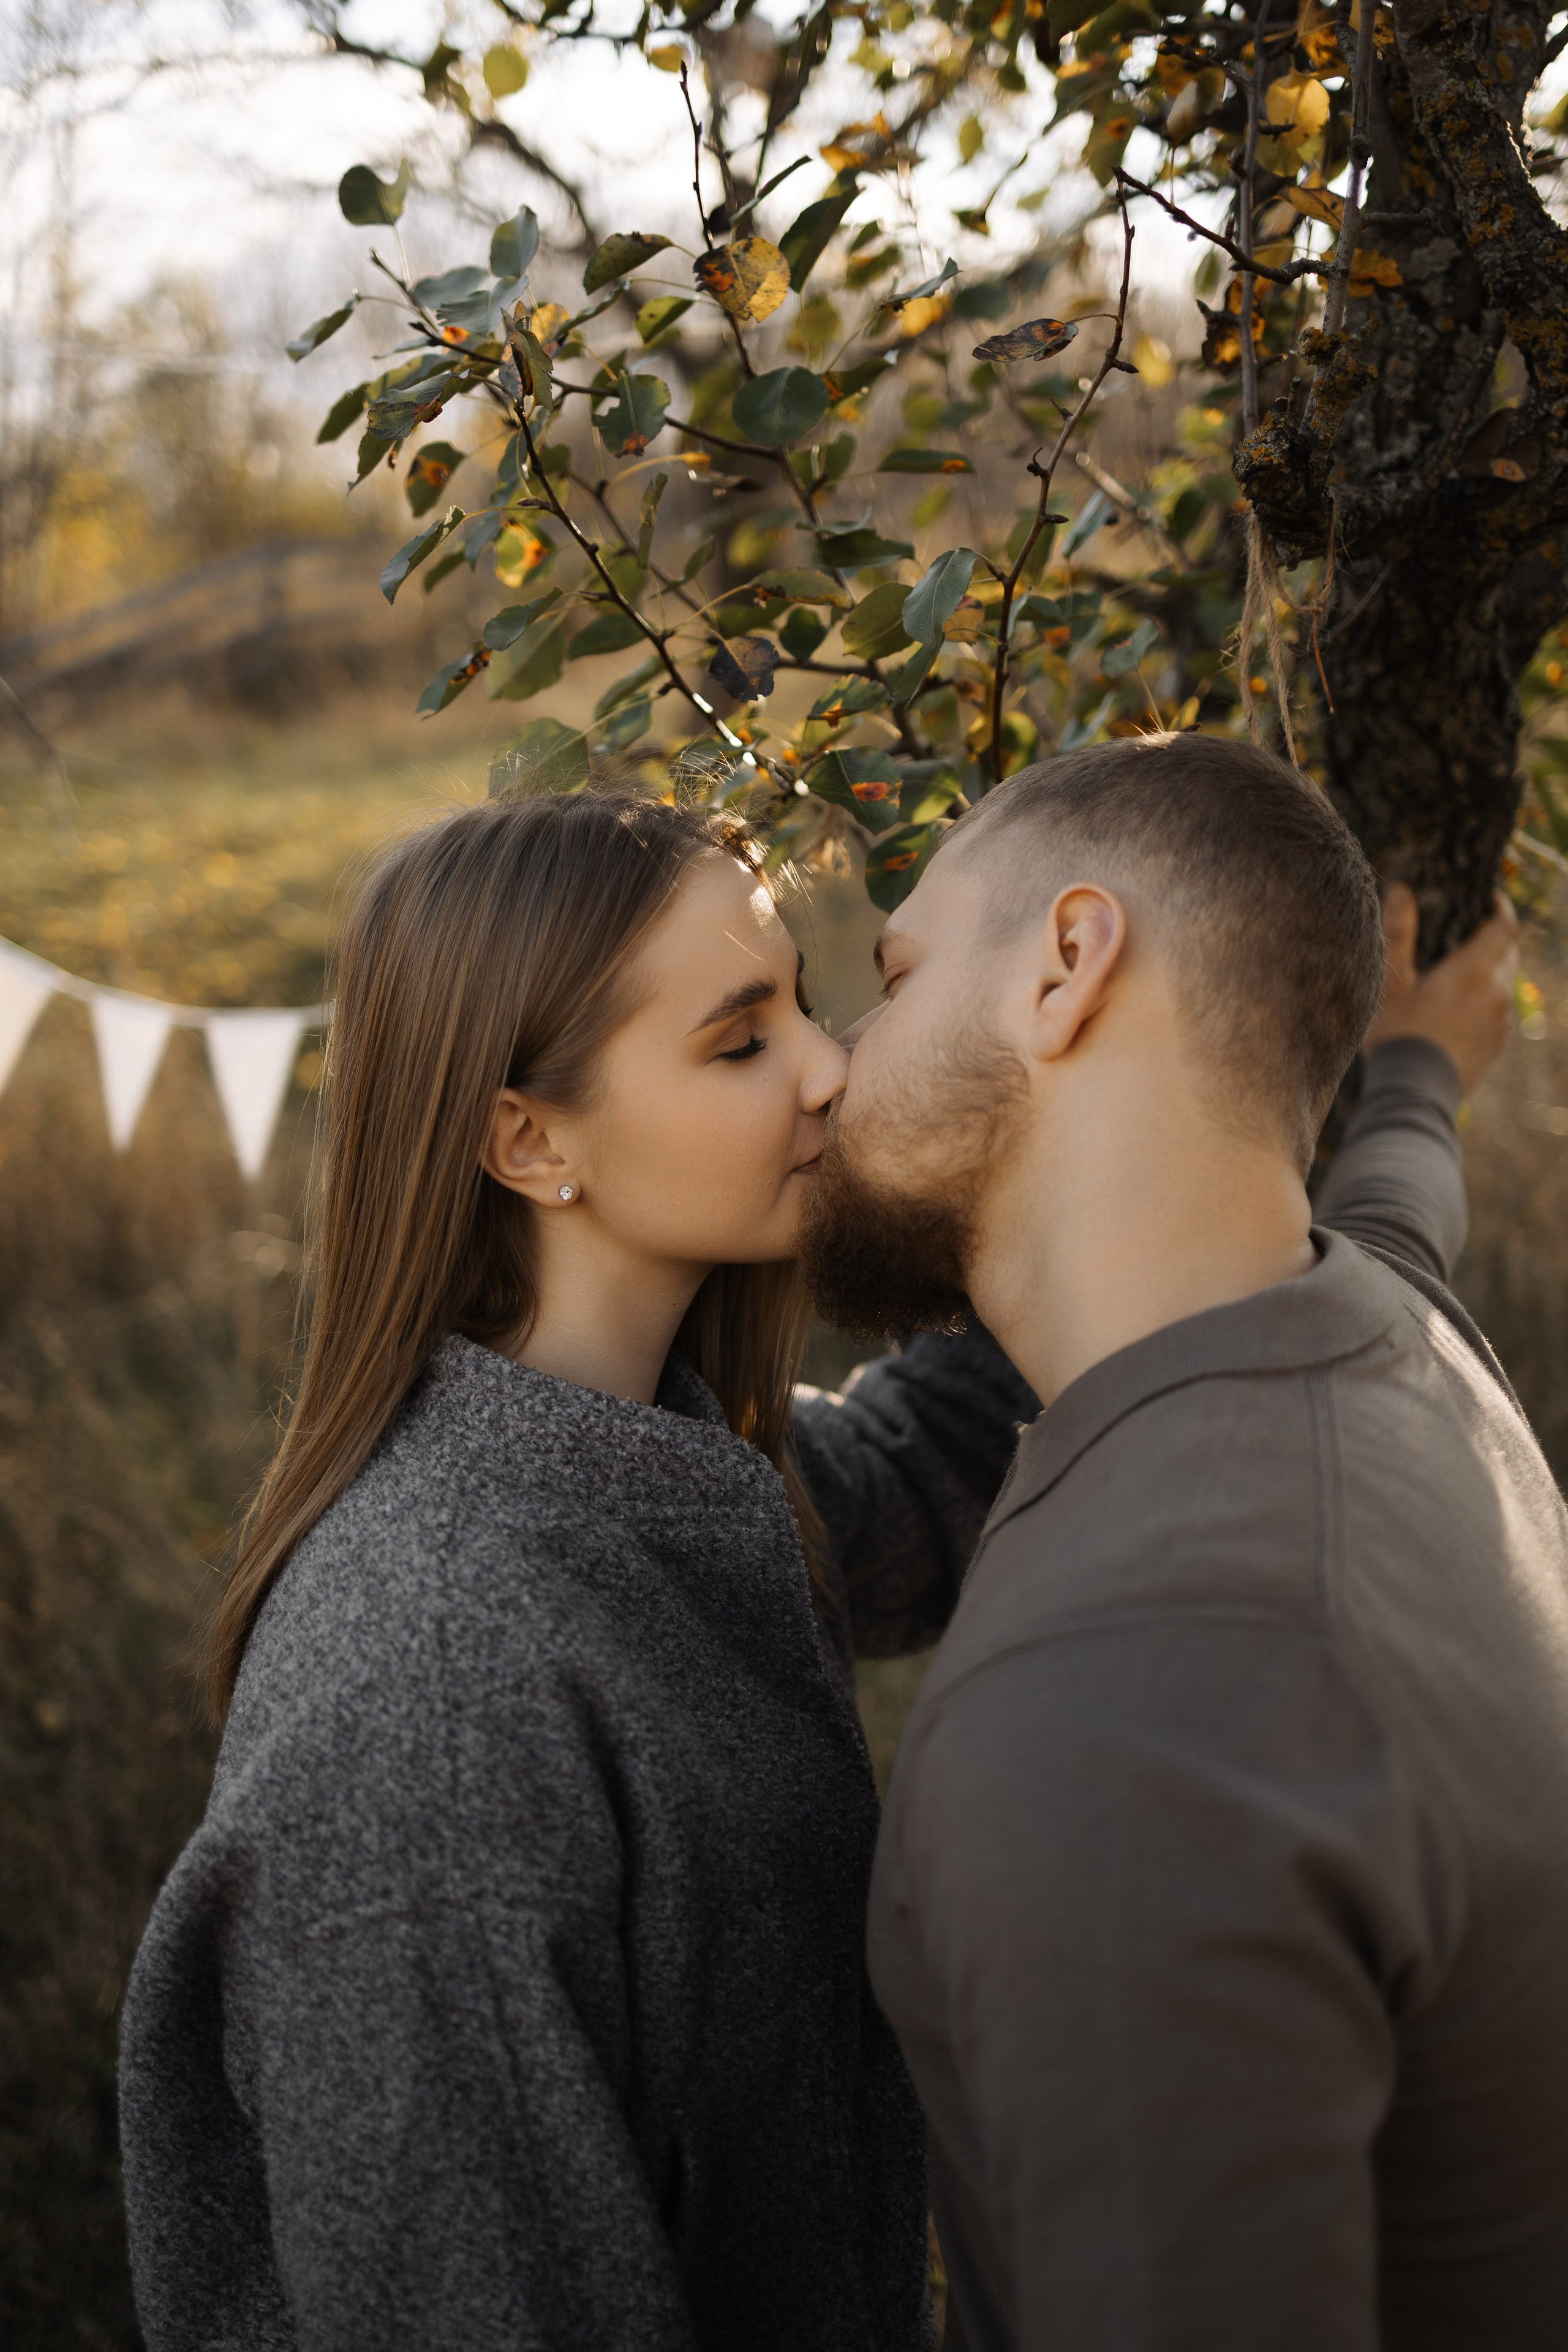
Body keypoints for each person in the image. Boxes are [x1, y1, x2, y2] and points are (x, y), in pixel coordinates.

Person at [117, 781, 1506, 2351]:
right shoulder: (432, 1686)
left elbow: (951, 1440)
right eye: (739, 1040)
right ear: (526, 1137)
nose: (833, 1067)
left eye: (805, 1002)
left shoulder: (670, 1476)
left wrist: (1307, 1065)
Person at [801, 731, 1565, 2352]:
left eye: (896, 974)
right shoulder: (1379, 1320)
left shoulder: (1133, 1705)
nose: (833, 1061)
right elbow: (1402, 1196)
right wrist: (1416, 1068)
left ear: (1067, 965)